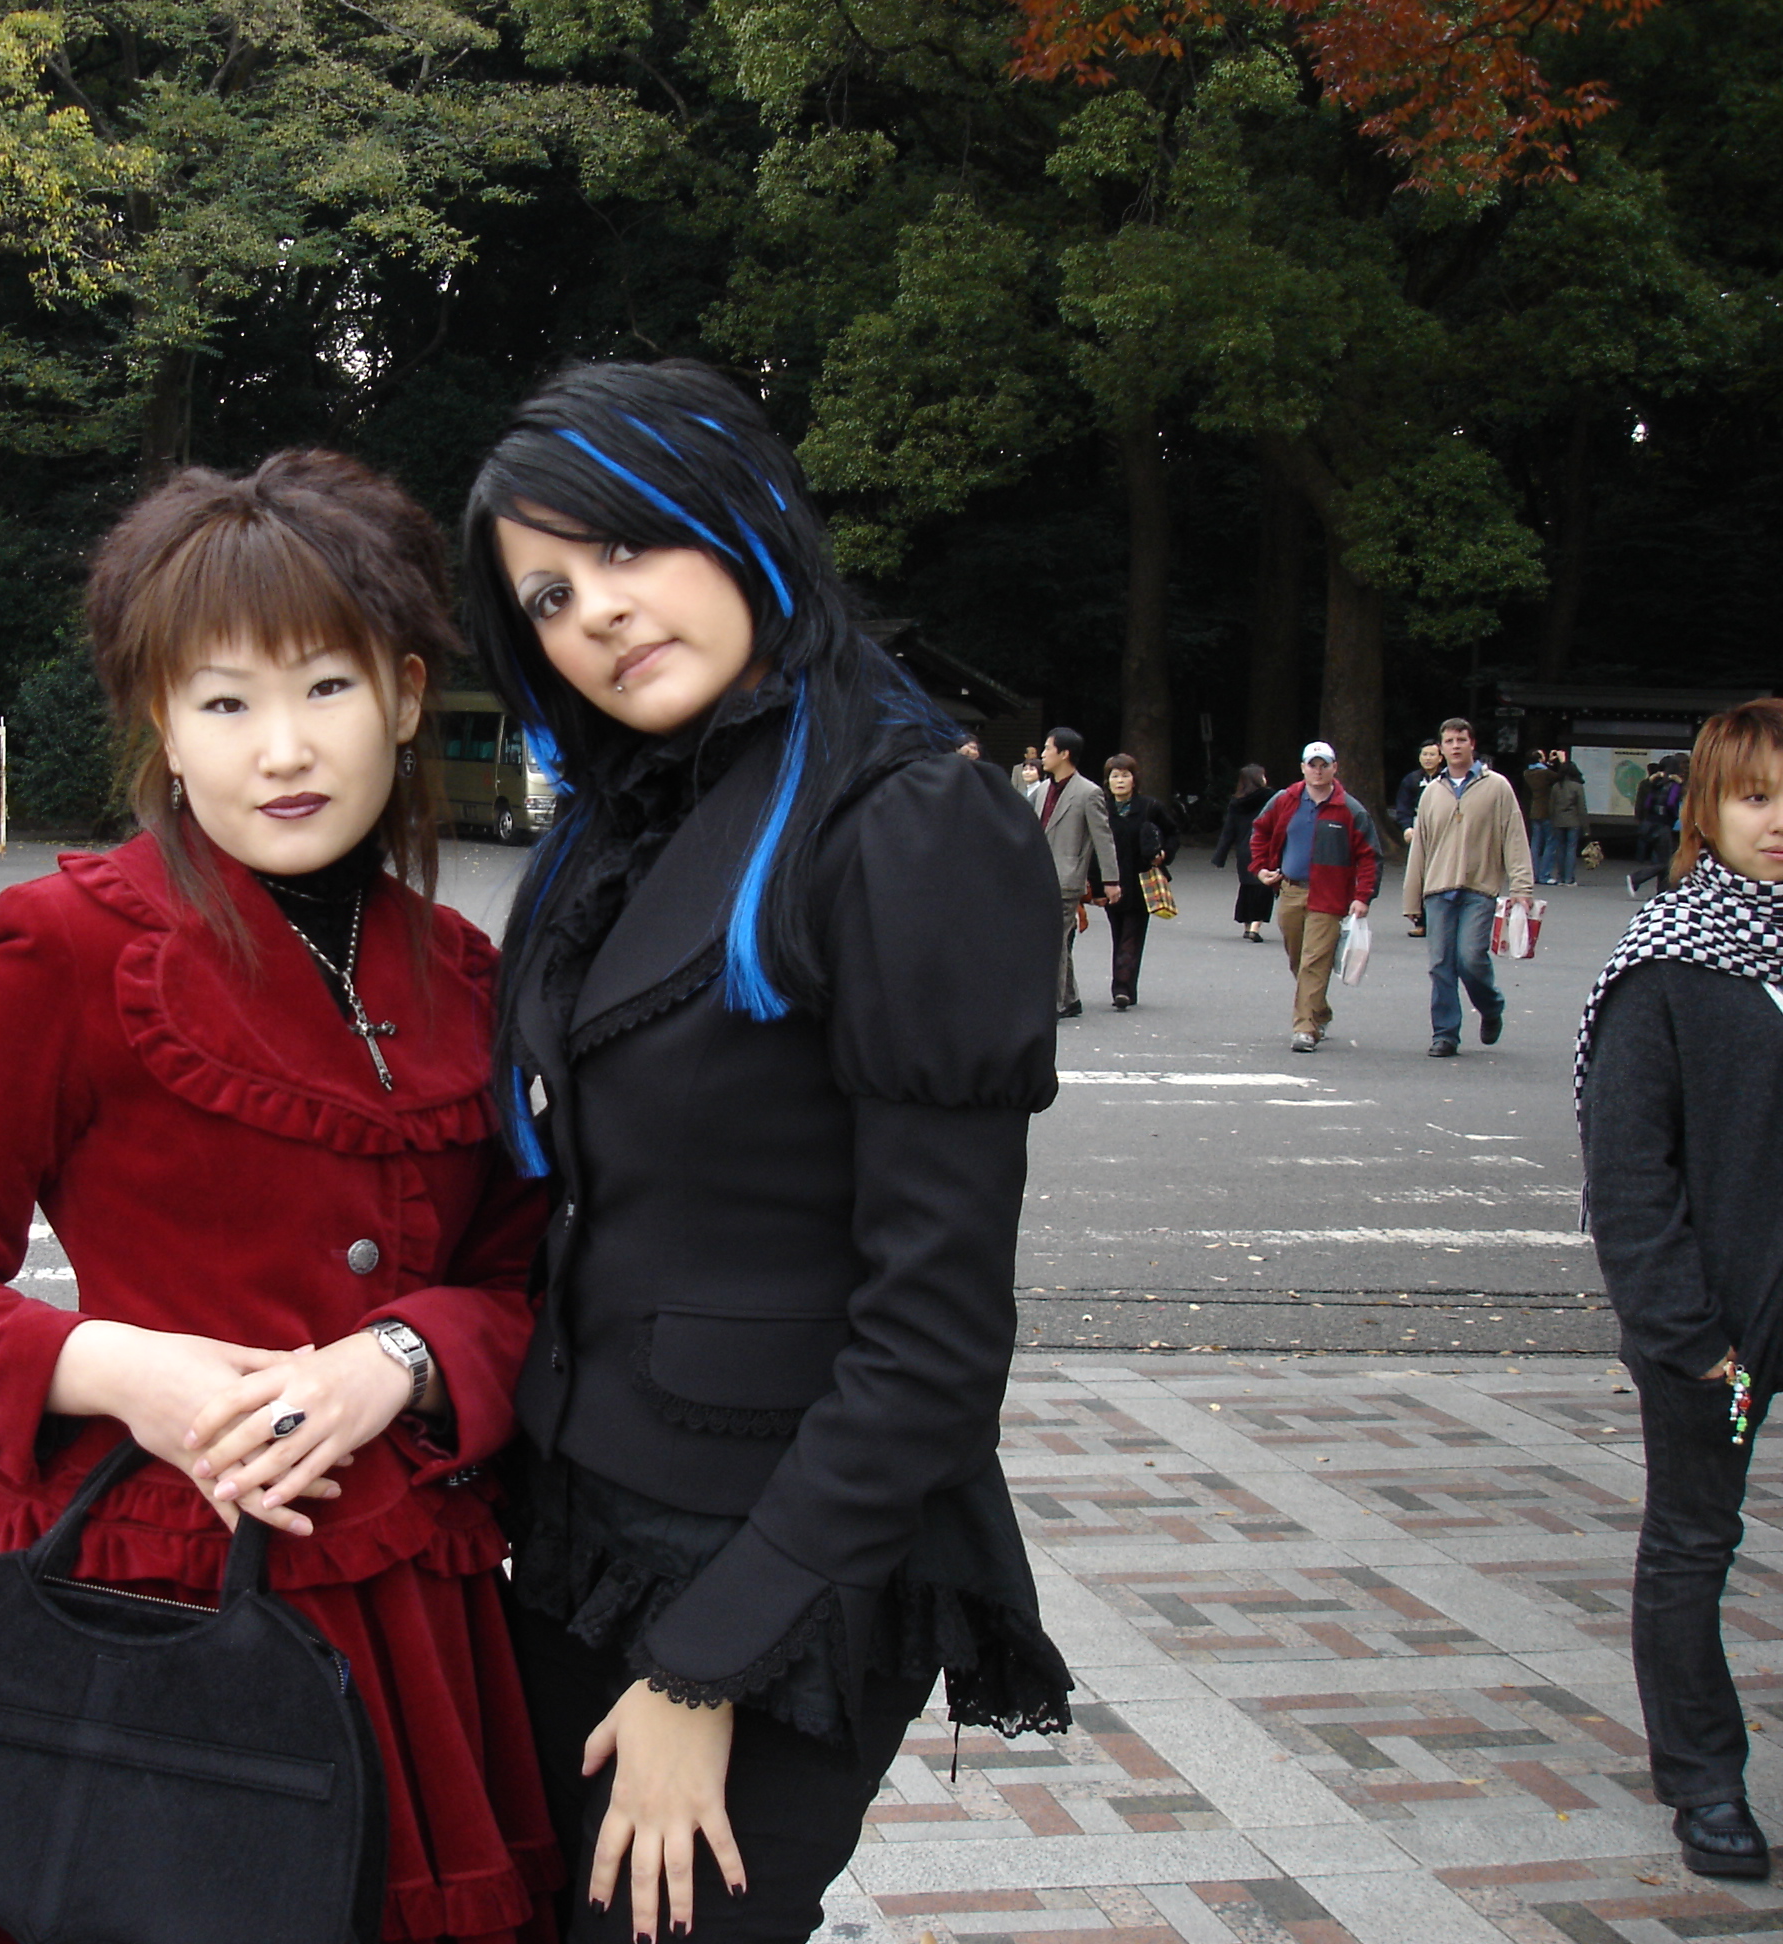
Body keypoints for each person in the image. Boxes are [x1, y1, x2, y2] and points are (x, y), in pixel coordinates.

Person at [0, 451, 561, 1944]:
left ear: (410, 695)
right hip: (150, 1592)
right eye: (223, 702)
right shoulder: (69, 945)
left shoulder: (469, 975)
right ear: (162, 727)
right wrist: (125, 1371)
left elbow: (522, 1281)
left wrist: (399, 1360)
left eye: (327, 689)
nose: (279, 750)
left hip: (413, 1611)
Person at [463, 360, 1073, 1944]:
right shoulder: (626, 819)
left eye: (628, 545)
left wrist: (703, 1662)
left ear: (740, 517)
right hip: (575, 1521)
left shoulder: (909, 826)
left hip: (783, 1558)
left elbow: (935, 1339)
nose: (595, 609)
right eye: (547, 591)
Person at [1577, 697, 1783, 1884]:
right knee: (1695, 1542)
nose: (1775, 822)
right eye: (1754, 797)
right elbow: (1630, 1172)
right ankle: (1705, 1781)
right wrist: (1688, 1337)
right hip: (1720, 1330)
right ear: (1703, 807)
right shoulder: (1667, 965)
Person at [1402, 716, 1536, 1058]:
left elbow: (1514, 837)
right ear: (1441, 748)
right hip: (1438, 889)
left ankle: (1490, 1006)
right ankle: (1445, 1033)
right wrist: (1412, 897)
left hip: (1479, 886)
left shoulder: (1497, 787)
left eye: (1462, 739)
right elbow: (1421, 847)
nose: (1456, 746)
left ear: (1472, 744)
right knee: (1441, 964)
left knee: (1471, 958)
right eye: (1449, 741)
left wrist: (1522, 886)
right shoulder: (1433, 792)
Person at [1247, 740, 1379, 1053]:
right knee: (1297, 958)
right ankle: (1320, 1011)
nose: (1318, 771)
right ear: (1303, 768)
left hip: (1330, 896)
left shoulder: (1350, 809)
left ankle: (1304, 1029)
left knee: (1314, 961)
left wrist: (1363, 896)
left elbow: (1370, 856)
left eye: (1324, 765)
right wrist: (1260, 868)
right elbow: (1260, 831)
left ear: (1335, 768)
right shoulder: (1285, 800)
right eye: (1312, 764)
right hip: (1291, 890)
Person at [1027, 727, 1121, 1018]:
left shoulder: (1088, 792)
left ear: (1064, 753)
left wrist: (1111, 880)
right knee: (1054, 937)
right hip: (1041, 875)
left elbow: (1103, 838)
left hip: (1067, 877)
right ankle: (1069, 998)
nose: (1042, 754)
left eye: (1047, 748)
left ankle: (1054, 1002)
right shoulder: (1042, 789)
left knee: (1053, 938)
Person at [1100, 753, 1179, 1008]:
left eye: (1125, 775)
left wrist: (1164, 854)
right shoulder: (1102, 808)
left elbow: (1172, 832)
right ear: (1108, 781)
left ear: (1135, 780)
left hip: (1142, 881)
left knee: (1132, 935)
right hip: (1112, 881)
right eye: (1115, 776)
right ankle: (1126, 986)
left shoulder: (1149, 807)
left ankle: (1121, 988)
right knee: (1118, 933)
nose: (1120, 781)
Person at [1209, 763, 1278, 943]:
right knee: (1264, 886)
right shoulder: (1270, 798)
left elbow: (1228, 830)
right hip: (1264, 847)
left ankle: (1247, 925)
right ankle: (1256, 925)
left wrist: (1220, 856)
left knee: (1247, 886)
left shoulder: (1237, 802)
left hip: (1243, 849)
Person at [1393, 741, 1446, 934]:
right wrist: (1407, 828)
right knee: (1419, 877)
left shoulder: (1447, 779)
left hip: (1443, 834)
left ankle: (1441, 920)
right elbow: (1403, 807)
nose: (1428, 758)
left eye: (1432, 755)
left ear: (1441, 758)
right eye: (1424, 754)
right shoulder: (1411, 780)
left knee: (1441, 876)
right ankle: (1420, 920)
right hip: (1418, 833)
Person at [1632, 752, 1689, 898]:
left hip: (1650, 823)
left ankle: (1662, 892)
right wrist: (1673, 815)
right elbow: (1671, 803)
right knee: (1668, 861)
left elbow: (1647, 803)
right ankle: (1638, 877)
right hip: (1665, 825)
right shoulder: (1675, 784)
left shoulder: (1654, 783)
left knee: (1661, 858)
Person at [1548, 756, 1588, 886]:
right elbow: (1581, 807)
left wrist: (1552, 820)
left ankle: (1560, 877)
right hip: (1573, 821)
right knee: (1571, 849)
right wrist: (1586, 827)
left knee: (1560, 849)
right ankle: (1569, 878)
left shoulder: (1556, 786)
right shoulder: (1577, 786)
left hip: (1558, 821)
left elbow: (1551, 806)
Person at [1523, 748, 1559, 883]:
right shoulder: (1544, 773)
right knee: (1550, 842)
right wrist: (1562, 760)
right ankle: (1545, 874)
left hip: (1534, 810)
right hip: (1546, 811)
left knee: (1535, 844)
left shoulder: (1528, 773)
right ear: (1539, 759)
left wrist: (1549, 762)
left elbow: (1546, 773)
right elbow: (1558, 776)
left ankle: (1533, 874)